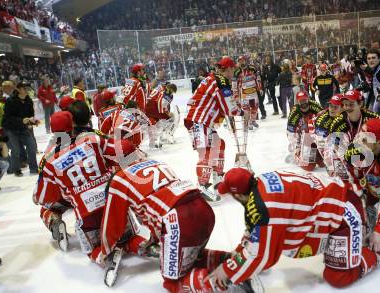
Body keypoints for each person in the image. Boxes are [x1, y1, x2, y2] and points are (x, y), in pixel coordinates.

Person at [208, 167, 380, 289]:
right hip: (334, 200)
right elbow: (255, 233)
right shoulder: (259, 183)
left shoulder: (266, 209)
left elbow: (262, 255)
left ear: (239, 194)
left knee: (337, 277)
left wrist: (228, 272)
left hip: (344, 213)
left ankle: (378, 252)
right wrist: (238, 255)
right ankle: (362, 229)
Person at [101, 159, 255, 291]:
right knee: (192, 257)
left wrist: (105, 251)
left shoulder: (117, 182)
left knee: (172, 283)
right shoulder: (151, 162)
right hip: (203, 208)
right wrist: (154, 239)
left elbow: (111, 224)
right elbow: (158, 203)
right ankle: (229, 260)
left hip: (179, 220)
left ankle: (227, 284)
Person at [33, 101, 136, 264]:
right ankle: (145, 247)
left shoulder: (49, 157)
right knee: (128, 238)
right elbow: (124, 148)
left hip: (84, 211)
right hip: (112, 202)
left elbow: (42, 195)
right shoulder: (93, 138)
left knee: (48, 207)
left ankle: (54, 221)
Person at [184, 56, 242, 202]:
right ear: (228, 69)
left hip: (201, 120)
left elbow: (221, 106)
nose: (233, 71)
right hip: (199, 120)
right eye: (232, 69)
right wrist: (240, 112)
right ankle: (202, 186)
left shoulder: (213, 79)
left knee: (219, 144)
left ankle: (218, 178)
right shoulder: (220, 80)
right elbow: (227, 106)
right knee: (206, 152)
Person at [33, 111, 74, 251]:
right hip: (88, 187)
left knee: (46, 209)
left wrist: (37, 195)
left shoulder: (49, 151)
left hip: (63, 195)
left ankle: (54, 220)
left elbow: (42, 174)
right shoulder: (87, 137)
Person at [328, 90, 380, 179]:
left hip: (371, 155)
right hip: (348, 157)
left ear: (360, 104)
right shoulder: (337, 123)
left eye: (351, 104)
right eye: (345, 104)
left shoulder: (374, 118)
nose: (348, 107)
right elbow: (335, 149)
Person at [2, 81, 39, 177]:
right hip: (11, 129)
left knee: (32, 147)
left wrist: (33, 122)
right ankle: (16, 169)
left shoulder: (29, 100)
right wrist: (22, 120)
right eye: (24, 88)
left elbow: (31, 115)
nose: (27, 90)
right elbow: (8, 117)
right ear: (18, 89)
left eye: (28, 88)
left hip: (23, 128)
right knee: (16, 150)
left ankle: (34, 168)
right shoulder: (10, 101)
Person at [287, 91, 323, 171]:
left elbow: (325, 122)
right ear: (297, 102)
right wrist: (296, 148)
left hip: (316, 137)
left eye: (305, 100)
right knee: (309, 167)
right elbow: (290, 133)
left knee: (323, 164)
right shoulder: (294, 112)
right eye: (301, 101)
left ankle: (317, 154)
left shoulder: (315, 106)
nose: (303, 103)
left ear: (308, 99)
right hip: (303, 138)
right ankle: (297, 157)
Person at [312, 94, 344, 176]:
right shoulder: (322, 121)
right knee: (308, 165)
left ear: (343, 108)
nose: (332, 110)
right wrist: (331, 166)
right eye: (331, 106)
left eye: (335, 107)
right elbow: (323, 147)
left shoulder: (347, 115)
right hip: (312, 137)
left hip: (330, 139)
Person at [235, 55, 262, 129]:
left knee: (254, 108)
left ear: (245, 61)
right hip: (244, 94)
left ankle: (253, 121)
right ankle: (248, 123)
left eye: (242, 61)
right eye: (240, 61)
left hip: (253, 93)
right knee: (246, 109)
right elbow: (235, 85)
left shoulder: (252, 68)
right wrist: (236, 95)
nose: (241, 62)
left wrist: (260, 88)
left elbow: (258, 78)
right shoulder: (237, 72)